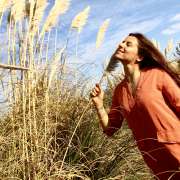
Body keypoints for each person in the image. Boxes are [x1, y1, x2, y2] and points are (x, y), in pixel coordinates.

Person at [91, 33, 180, 180]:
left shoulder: (158, 75)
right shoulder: (119, 91)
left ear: (140, 57)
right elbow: (110, 129)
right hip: (155, 161)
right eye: (122, 42)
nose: (121, 45)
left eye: (128, 44)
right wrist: (99, 105)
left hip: (176, 148)